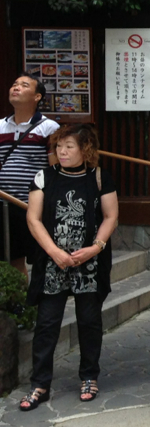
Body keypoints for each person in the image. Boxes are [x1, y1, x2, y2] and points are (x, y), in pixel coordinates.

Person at [20, 123, 118, 411]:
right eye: (59, 146)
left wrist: (95, 247)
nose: (62, 151)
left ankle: (89, 376)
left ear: (85, 149)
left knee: (89, 321)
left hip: (89, 262)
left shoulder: (99, 177)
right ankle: (39, 383)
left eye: (69, 146)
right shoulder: (44, 177)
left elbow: (111, 216)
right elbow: (33, 218)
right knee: (47, 324)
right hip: (52, 263)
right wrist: (55, 252)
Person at [0, 75, 59, 279]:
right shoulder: (0, 126)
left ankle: (41, 305)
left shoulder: (49, 127)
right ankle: (21, 305)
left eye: (24, 85)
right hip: (5, 203)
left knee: (41, 257)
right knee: (13, 258)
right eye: (14, 84)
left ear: (37, 97)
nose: (16, 87)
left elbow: (56, 168)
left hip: (33, 204)